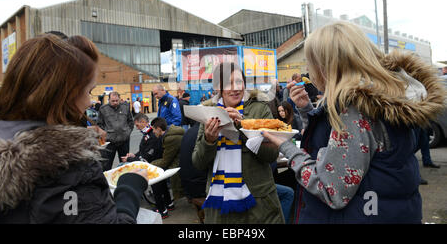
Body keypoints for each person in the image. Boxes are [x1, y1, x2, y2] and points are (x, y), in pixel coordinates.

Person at [262, 21, 446, 224]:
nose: (308, 68)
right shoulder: (382, 98)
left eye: (311, 61)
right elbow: (342, 149)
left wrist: (286, 148)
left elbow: (331, 190)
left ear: (327, 66)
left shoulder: (354, 110)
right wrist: (307, 111)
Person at [0, 34, 149, 223]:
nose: (89, 102)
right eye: (88, 91)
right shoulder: (67, 166)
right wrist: (130, 187)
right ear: (63, 94)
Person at [192, 62, 285, 224]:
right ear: (218, 88)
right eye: (228, 83)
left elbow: (271, 155)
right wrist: (209, 140)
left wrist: (242, 126)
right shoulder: (208, 114)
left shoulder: (260, 109)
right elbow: (198, 163)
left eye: (239, 82)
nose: (235, 88)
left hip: (259, 204)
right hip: (220, 206)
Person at [150, 117, 185, 218]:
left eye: (153, 129)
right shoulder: (171, 132)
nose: (153, 132)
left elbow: (165, 161)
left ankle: (162, 210)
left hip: (177, 166)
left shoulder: (170, 138)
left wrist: (151, 164)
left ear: (159, 129)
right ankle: (169, 204)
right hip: (180, 161)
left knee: (155, 176)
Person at [98, 91, 135, 171]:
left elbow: (130, 121)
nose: (115, 103)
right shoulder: (103, 109)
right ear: (109, 100)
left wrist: (127, 132)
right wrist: (106, 134)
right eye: (113, 101)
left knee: (125, 165)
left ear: (119, 99)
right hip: (110, 142)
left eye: (116, 101)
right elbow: (100, 124)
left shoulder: (125, 107)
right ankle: (107, 182)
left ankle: (124, 181)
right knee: (106, 165)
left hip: (124, 141)